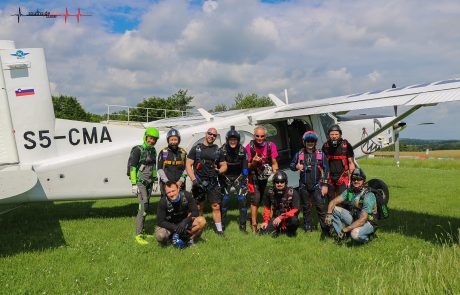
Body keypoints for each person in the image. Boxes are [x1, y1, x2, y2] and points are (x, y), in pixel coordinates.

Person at [186, 128, 227, 235]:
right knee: (199, 206)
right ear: (206, 134)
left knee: (216, 206)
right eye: (210, 134)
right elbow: (188, 164)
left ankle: (219, 230)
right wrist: (194, 180)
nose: (211, 136)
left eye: (214, 135)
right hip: (198, 181)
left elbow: (224, 165)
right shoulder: (196, 149)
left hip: (213, 182)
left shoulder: (218, 150)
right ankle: (199, 227)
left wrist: (219, 171)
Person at [290, 131, 329, 233]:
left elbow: (326, 170)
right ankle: (308, 227)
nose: (310, 143)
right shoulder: (299, 154)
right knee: (306, 207)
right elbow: (291, 165)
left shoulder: (320, 154)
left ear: (315, 142)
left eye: (312, 141)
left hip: (317, 185)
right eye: (308, 141)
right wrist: (296, 166)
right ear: (304, 142)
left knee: (320, 206)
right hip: (304, 185)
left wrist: (325, 185)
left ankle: (325, 228)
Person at [325, 168, 377, 244]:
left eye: (359, 179)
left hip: (368, 222)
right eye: (354, 179)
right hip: (356, 217)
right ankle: (341, 236)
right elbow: (333, 202)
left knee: (354, 234)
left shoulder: (368, 195)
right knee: (333, 209)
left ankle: (367, 238)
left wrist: (345, 229)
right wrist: (329, 214)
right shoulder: (350, 191)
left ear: (363, 181)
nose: (356, 181)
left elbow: (362, 220)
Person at [127, 127, 159, 245]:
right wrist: (134, 184)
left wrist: (155, 180)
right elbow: (132, 167)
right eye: (150, 138)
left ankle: (143, 231)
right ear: (146, 137)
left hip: (149, 182)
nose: (152, 141)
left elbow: (154, 166)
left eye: (154, 139)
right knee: (143, 205)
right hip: (140, 182)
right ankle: (138, 234)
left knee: (147, 206)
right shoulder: (137, 150)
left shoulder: (153, 151)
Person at [246, 126, 279, 232]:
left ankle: (271, 220)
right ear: (253, 135)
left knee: (267, 198)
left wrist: (276, 176)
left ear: (265, 136)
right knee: (255, 199)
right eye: (257, 136)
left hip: (266, 176)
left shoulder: (271, 145)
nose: (259, 138)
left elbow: (274, 163)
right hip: (253, 175)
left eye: (262, 136)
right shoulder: (249, 147)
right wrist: (254, 162)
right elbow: (246, 166)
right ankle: (254, 224)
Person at [155, 181, 206, 248]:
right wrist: (175, 227)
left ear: (178, 189)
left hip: (185, 224)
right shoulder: (163, 202)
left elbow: (195, 212)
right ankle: (170, 241)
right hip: (170, 226)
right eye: (168, 192)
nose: (171, 194)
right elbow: (160, 222)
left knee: (202, 221)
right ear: (165, 193)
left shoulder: (187, 195)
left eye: (173, 191)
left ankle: (190, 240)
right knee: (160, 235)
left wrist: (185, 221)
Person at [219, 126, 249, 233]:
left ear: (238, 140)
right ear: (227, 140)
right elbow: (219, 167)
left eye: (235, 139)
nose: (233, 141)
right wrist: (224, 178)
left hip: (239, 177)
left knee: (242, 200)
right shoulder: (221, 150)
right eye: (231, 140)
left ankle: (242, 226)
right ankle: (221, 226)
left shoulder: (243, 150)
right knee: (224, 201)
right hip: (225, 178)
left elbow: (245, 169)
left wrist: (240, 179)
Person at [258, 171, 300, 237]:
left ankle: (290, 231)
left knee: (294, 220)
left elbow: (296, 209)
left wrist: (282, 217)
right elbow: (267, 208)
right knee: (262, 232)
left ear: (285, 182)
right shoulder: (269, 192)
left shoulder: (292, 192)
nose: (279, 184)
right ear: (274, 183)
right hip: (275, 218)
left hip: (288, 218)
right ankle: (277, 229)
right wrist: (266, 221)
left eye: (282, 182)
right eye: (277, 182)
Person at [322, 124, 355, 201]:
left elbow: (351, 163)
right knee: (331, 198)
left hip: (342, 176)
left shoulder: (346, 146)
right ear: (329, 135)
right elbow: (323, 164)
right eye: (332, 134)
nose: (334, 136)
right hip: (330, 176)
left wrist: (351, 179)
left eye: (336, 134)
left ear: (340, 134)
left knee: (342, 198)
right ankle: (333, 212)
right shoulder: (325, 146)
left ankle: (343, 212)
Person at [157, 128, 187, 195]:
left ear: (178, 140)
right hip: (166, 184)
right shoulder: (163, 152)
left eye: (175, 139)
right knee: (166, 203)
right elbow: (159, 169)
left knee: (181, 202)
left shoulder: (182, 153)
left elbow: (186, 168)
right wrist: (167, 182)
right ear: (168, 140)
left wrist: (181, 181)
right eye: (171, 140)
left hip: (180, 184)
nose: (173, 142)